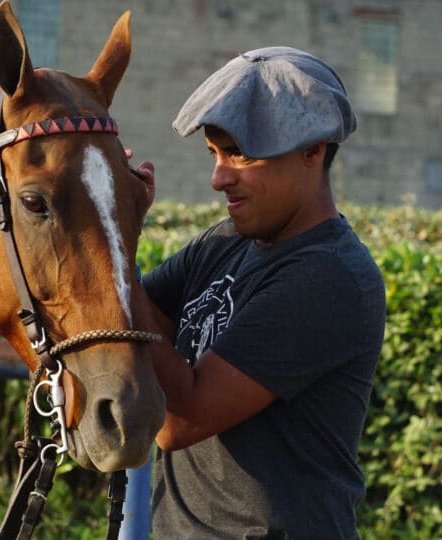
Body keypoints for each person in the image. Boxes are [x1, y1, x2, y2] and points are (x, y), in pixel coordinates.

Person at [134, 47, 386, 538]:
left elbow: (178, 420)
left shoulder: (329, 278)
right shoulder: (223, 242)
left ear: (312, 151)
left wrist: (113, 250)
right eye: (214, 153)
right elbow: (126, 327)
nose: (218, 177)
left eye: (241, 154)